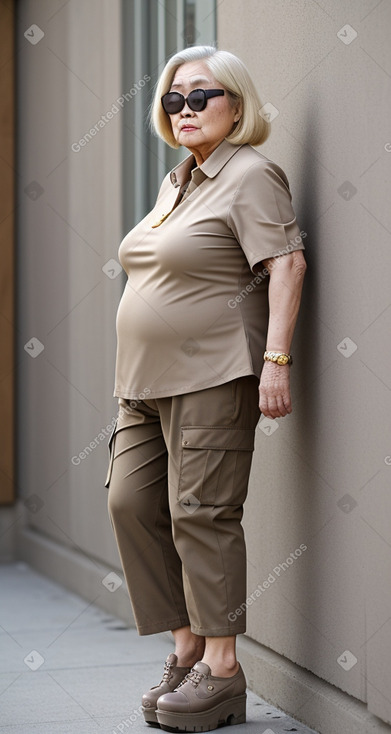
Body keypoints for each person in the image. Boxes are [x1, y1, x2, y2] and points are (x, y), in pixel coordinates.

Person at [106, 44, 306, 733]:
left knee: (202, 513)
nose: (185, 109)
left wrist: (275, 360)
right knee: (131, 504)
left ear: (236, 105)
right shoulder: (179, 178)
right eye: (173, 99)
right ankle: (185, 646)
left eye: (201, 96)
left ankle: (220, 670)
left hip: (212, 374)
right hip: (143, 382)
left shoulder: (250, 173)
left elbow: (285, 264)